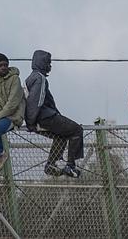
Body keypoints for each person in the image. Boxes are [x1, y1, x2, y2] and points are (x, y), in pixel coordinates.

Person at [25, 50, 84, 178]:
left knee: (61, 135)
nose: (50, 66)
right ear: (42, 63)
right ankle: (70, 165)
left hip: (40, 117)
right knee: (76, 130)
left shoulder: (31, 77)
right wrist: (31, 122)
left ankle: (51, 164)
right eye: (48, 63)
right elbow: (36, 101)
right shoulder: (40, 78)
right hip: (45, 117)